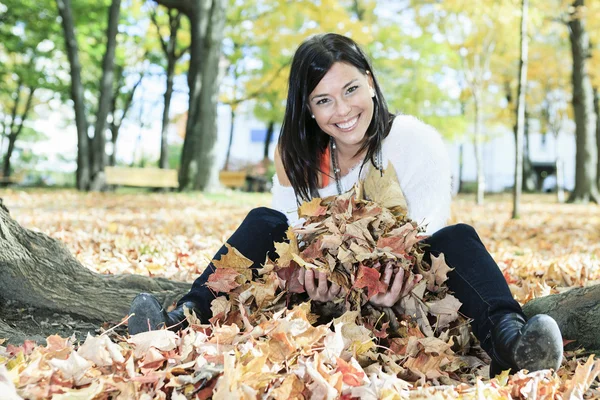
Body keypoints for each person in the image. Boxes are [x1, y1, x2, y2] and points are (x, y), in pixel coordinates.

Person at [128, 33, 563, 377]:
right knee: (264, 220)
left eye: (351, 89)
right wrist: (305, 275)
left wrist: (392, 282)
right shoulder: (296, 154)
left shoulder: (414, 141)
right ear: (310, 110)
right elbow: (290, 233)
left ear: (371, 83)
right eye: (323, 100)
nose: (342, 110)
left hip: (407, 295)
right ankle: (180, 321)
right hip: (317, 296)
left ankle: (513, 340)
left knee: (457, 238)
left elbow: (426, 232)